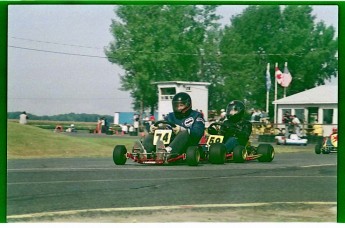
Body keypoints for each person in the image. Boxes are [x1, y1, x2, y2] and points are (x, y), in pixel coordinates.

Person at [137, 92, 205, 159]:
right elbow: (164, 126)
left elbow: (198, 132)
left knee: (184, 132)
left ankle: (167, 152)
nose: (178, 108)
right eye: (176, 106)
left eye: (181, 105)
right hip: (170, 141)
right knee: (153, 133)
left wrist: (181, 129)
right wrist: (155, 128)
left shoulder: (196, 115)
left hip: (188, 143)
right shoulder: (170, 116)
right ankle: (145, 151)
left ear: (188, 104)